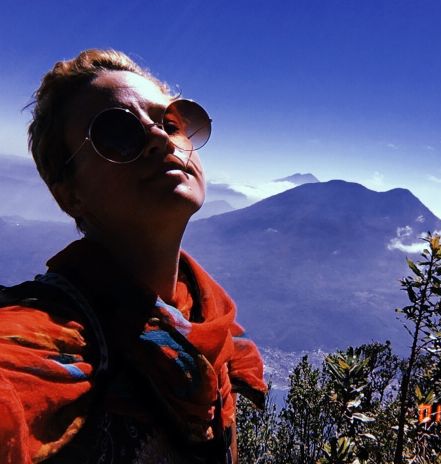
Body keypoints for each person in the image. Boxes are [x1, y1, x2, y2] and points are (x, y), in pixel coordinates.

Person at [0, 49, 266, 463]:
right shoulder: (43, 342)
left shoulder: (210, 324)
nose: (160, 138)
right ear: (69, 194)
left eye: (171, 123)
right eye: (118, 132)